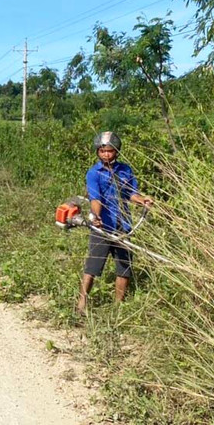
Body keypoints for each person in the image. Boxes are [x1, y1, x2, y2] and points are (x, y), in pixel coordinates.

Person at [76, 131, 153, 315]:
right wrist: (97, 216)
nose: (106, 155)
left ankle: (118, 307)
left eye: (109, 151)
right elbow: (96, 199)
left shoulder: (125, 170)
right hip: (102, 227)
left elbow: (130, 193)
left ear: (116, 151)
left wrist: (142, 200)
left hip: (124, 226)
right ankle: (81, 304)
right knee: (92, 266)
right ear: (97, 152)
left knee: (124, 266)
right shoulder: (93, 173)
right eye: (102, 151)